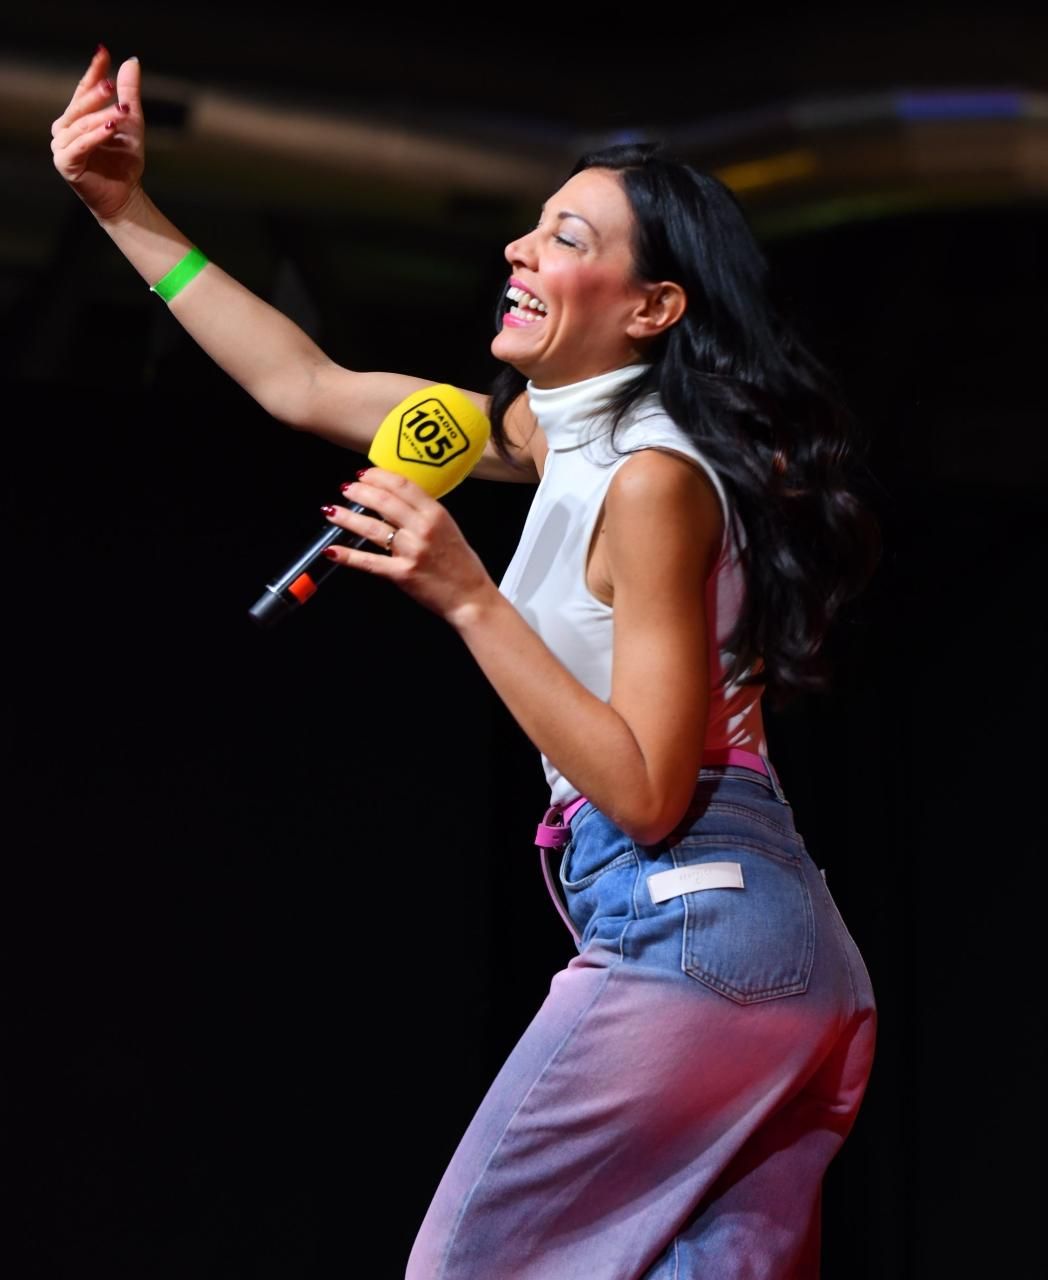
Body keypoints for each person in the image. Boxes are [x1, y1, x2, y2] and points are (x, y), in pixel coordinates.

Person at [52, 46, 882, 1280]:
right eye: (532, 227)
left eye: (564, 237)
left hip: (695, 917)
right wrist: (124, 208)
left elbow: (646, 788)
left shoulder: (654, 483)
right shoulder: (557, 436)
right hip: (759, 945)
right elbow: (303, 383)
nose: (517, 250)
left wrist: (465, 593)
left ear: (652, 308)